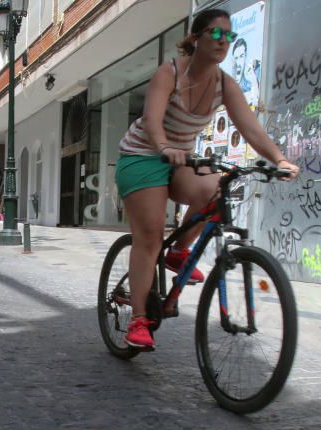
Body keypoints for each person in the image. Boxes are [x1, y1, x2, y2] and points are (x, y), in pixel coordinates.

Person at [114, 8, 299, 350]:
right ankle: (139, 319)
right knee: (151, 234)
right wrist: (165, 146)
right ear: (195, 38)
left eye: (228, 36)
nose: (223, 41)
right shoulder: (168, 73)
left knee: (216, 190)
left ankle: (180, 251)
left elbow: (250, 128)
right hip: (143, 155)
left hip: (181, 157)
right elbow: (152, 121)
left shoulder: (224, 84)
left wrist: (279, 159)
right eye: (216, 34)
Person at [230, 38, 260, 106]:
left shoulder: (256, 69)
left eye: (241, 56)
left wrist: (253, 81)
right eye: (236, 58)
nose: (239, 62)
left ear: (245, 54)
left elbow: (257, 102)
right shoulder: (235, 78)